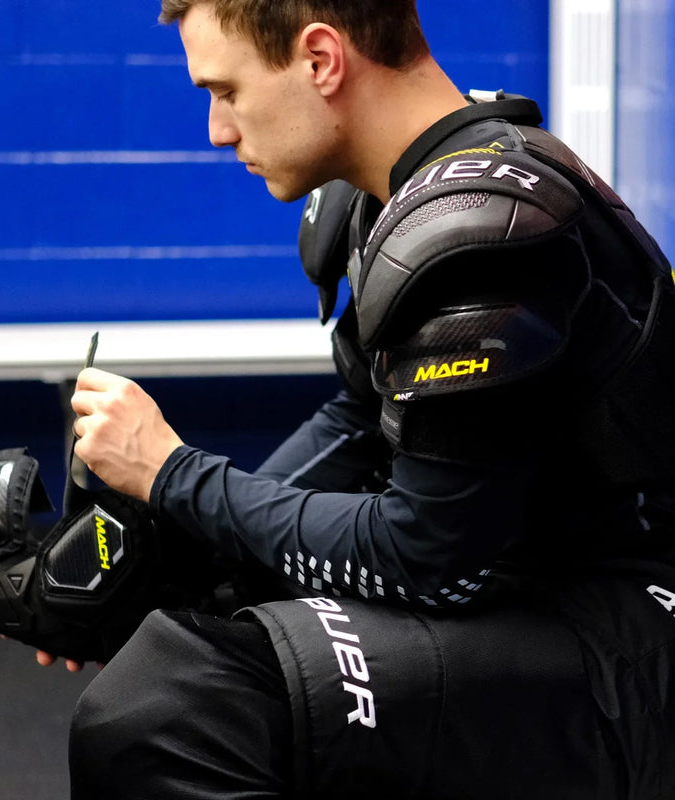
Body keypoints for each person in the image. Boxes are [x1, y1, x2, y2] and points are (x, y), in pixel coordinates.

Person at [54, 1, 675, 797]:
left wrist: (173, 474)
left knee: (167, 710)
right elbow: (357, 421)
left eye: (227, 91)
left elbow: (422, 557)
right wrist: (173, 558)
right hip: (528, 578)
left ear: (321, 59)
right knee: (198, 609)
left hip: (629, 639)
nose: (217, 130)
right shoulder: (400, 185)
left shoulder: (480, 231)